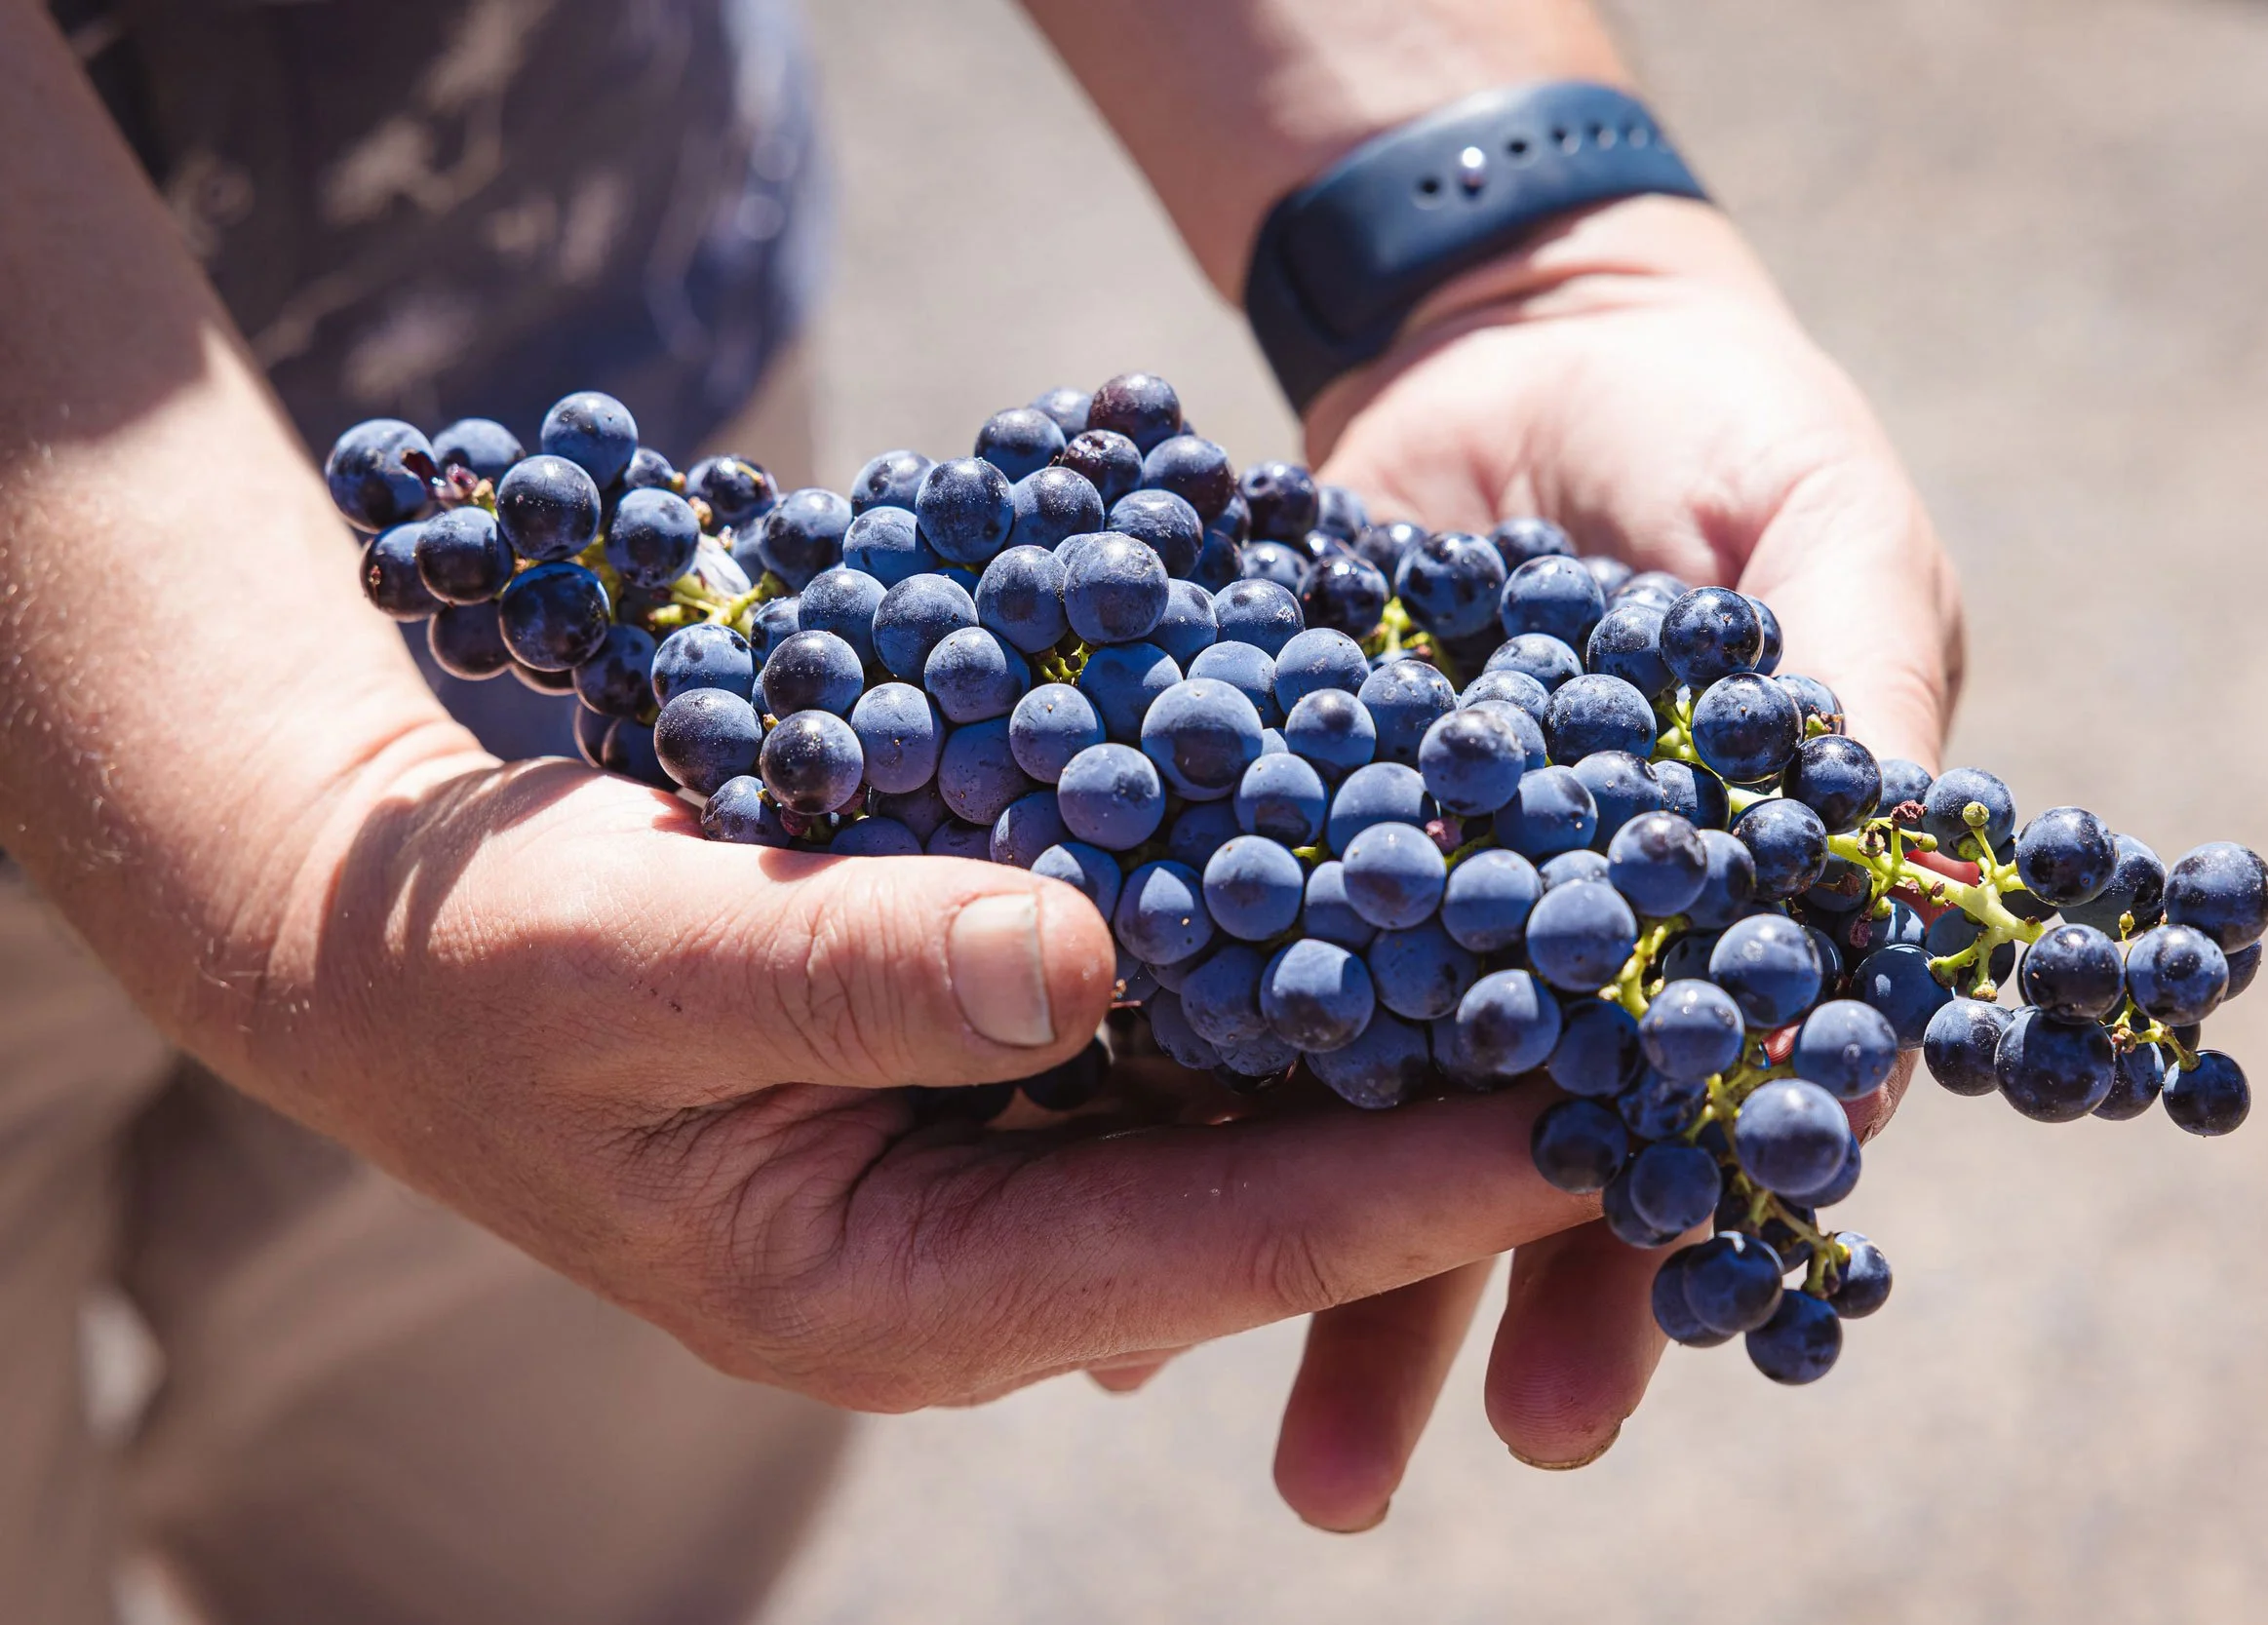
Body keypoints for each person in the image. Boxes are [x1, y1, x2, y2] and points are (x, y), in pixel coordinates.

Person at [0, 0, 1964, 1618]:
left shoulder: (755, 628)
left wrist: (1507, 241)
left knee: (545, 1526)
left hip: (600, 346)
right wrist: (278, 856)